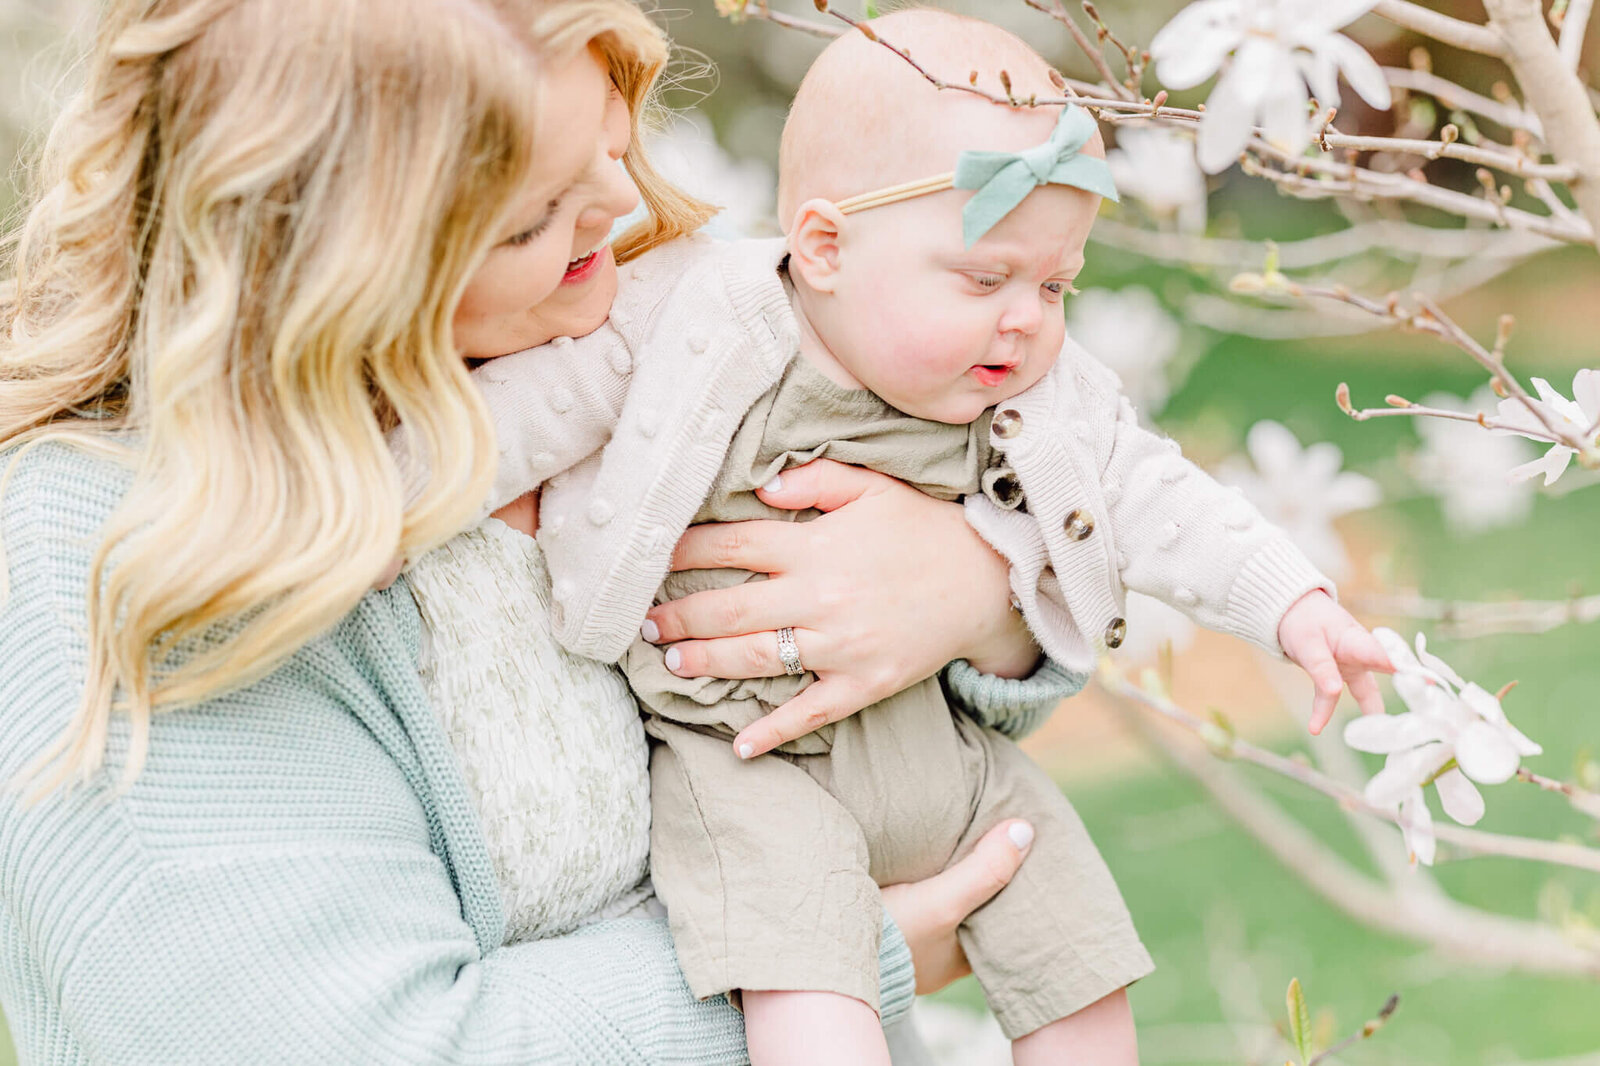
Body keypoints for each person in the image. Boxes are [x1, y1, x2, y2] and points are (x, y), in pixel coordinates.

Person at [0, 2, 1084, 1063]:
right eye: (530, 215)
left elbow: (865, 708)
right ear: (326, 261)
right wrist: (828, 956)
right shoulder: (122, 552)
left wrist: (982, 592)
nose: (618, 203)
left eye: (614, 139)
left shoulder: (627, 340)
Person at [467, 9, 1398, 1065]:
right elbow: (522, 416)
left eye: (1055, 285)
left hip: (941, 756)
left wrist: (1292, 601)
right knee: (806, 978)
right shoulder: (690, 316)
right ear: (823, 247)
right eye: (985, 277)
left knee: (1070, 935)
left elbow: (1154, 492)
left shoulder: (1040, 396)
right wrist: (388, 494)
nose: (1026, 320)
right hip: (750, 762)